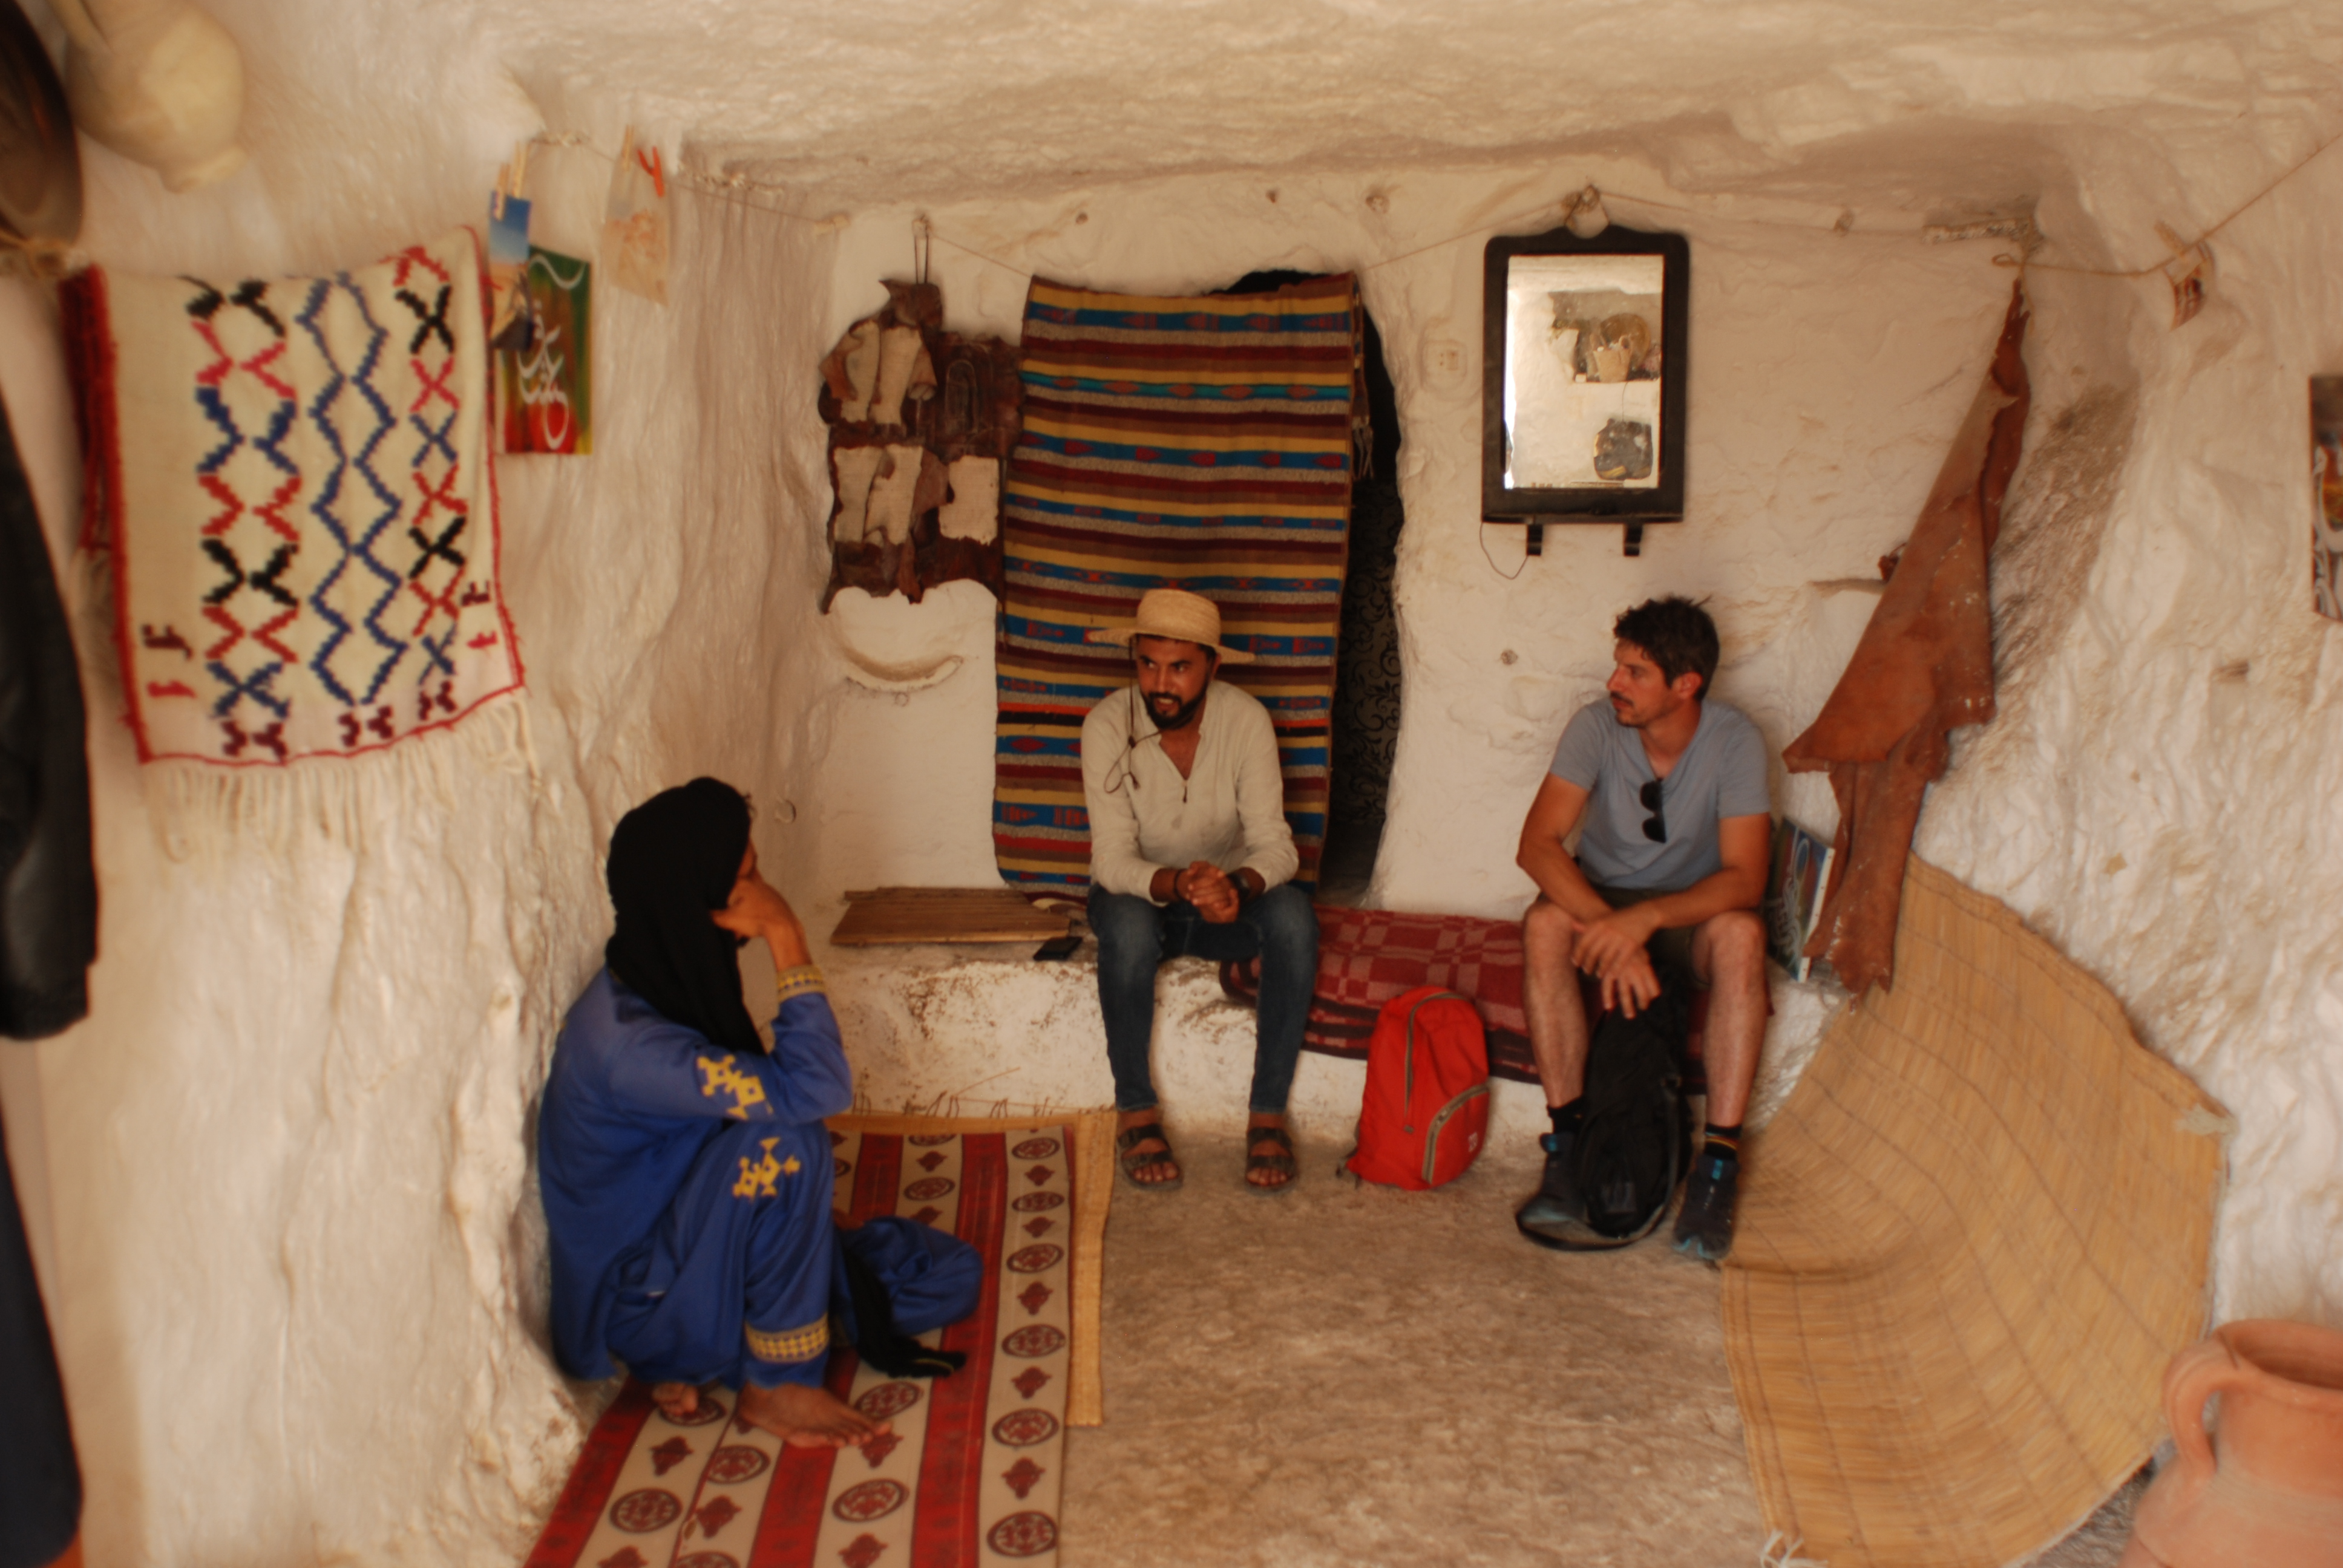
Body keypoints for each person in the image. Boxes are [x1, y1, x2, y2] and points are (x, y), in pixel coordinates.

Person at [539, 778, 979, 1448]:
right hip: (641, 1298)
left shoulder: (660, 983)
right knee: (789, 1143)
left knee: (941, 1274)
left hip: (690, 1240)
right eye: (746, 877)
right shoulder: (632, 1050)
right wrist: (785, 932)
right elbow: (817, 1090)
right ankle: (775, 1385)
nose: (761, 892)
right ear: (697, 900)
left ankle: (709, 1356)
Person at [1511, 598, 1772, 1262]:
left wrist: (1648, 918)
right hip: (1602, 899)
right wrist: (1609, 926)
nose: (1613, 684)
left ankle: (1717, 1167)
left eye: (1634, 671)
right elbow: (1537, 846)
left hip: (1688, 912)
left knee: (1742, 936)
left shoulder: (1734, 740)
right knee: (1543, 925)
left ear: (1686, 684)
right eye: (1616, 666)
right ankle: (1566, 1149)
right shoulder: (1595, 728)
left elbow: (1744, 879)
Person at [1080, 589, 1319, 1193]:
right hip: (1143, 897)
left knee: (1292, 917)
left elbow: (1276, 846)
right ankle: (1135, 1112)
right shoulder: (1107, 724)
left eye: (1179, 667)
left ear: (1212, 666)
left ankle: (1266, 1116)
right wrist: (1177, 884)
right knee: (1129, 929)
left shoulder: (1246, 720)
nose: (1160, 683)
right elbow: (1110, 860)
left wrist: (1232, 885)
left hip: (1224, 903)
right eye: (1147, 664)